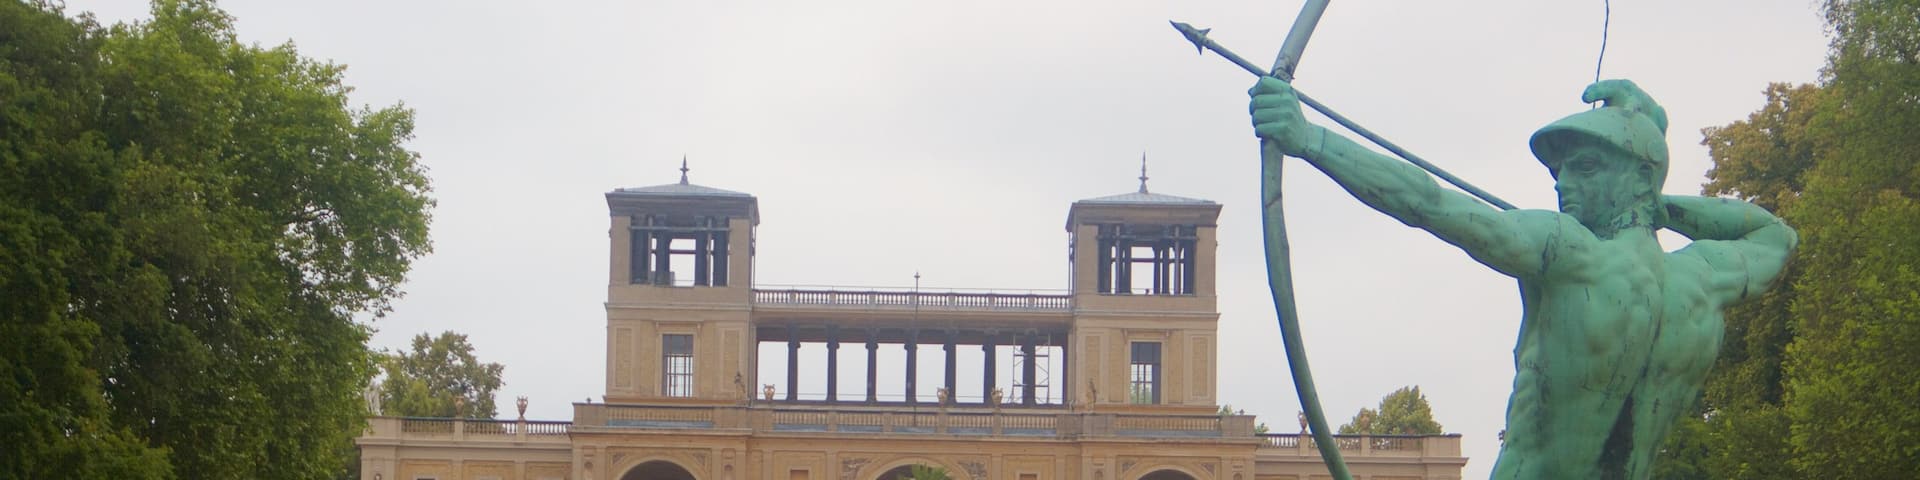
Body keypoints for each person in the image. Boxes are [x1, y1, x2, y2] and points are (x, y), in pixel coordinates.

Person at [1248, 77, 1796, 479]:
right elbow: (1776, 237)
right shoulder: (1702, 280)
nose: (1562, 186)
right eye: (1558, 173)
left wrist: (1308, 139)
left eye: (1584, 168)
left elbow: (1426, 202)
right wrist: (1657, 204)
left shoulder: (1568, 251)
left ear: (1636, 177)